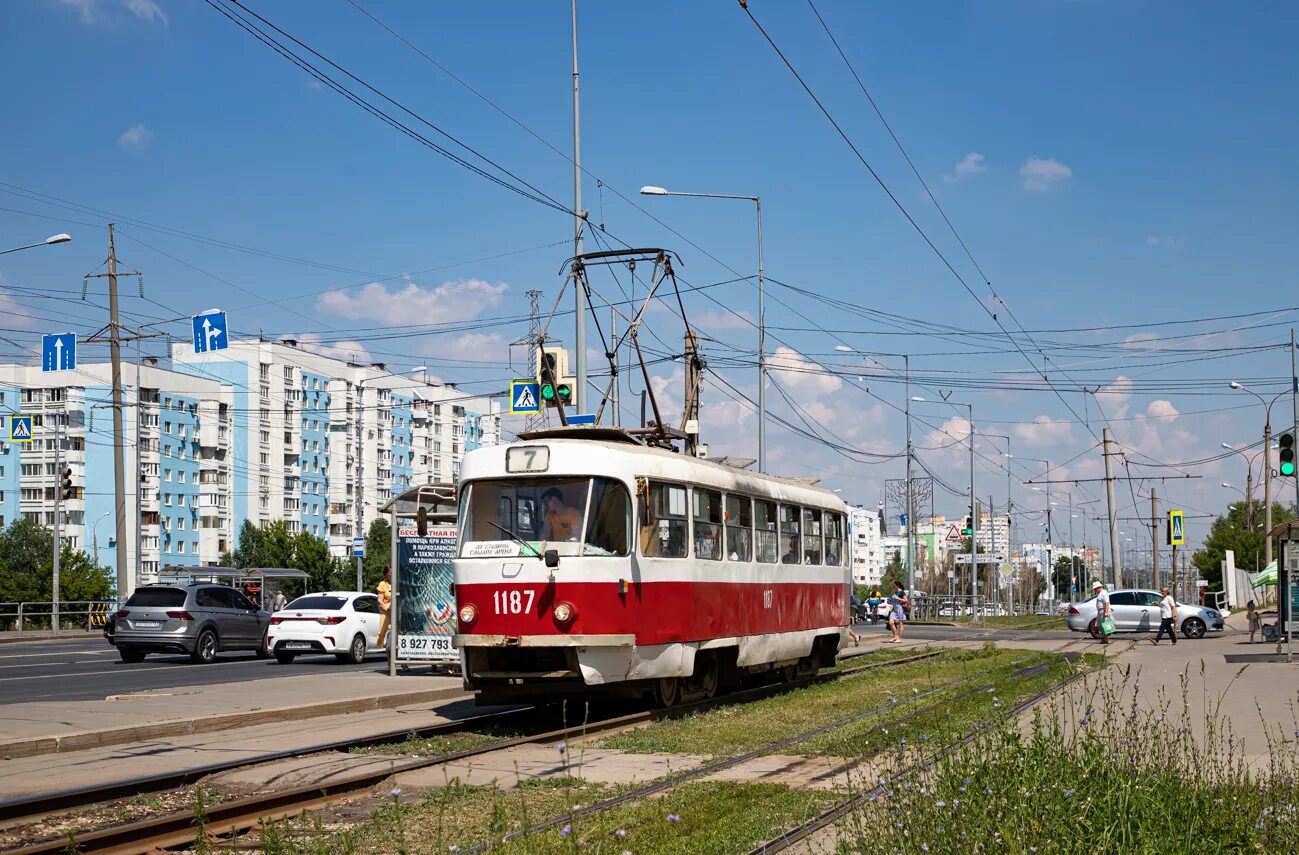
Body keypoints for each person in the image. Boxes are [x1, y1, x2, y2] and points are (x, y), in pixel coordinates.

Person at [377, 566, 393, 648]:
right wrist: (387, 608)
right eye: (390, 572)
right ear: (386, 574)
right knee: (383, 631)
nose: (392, 573)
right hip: (386, 610)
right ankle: (384, 644)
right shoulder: (382, 584)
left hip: (397, 611)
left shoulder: (398, 583)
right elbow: (380, 601)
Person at [1092, 580, 1111, 646]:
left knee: (1104, 626)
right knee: (1098, 625)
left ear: (1098, 587)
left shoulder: (1104, 593)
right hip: (1100, 611)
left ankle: (1105, 640)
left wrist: (1106, 612)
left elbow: (1106, 603)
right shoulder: (1100, 593)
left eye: (1095, 589)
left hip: (1103, 611)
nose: (1094, 590)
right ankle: (1104, 638)